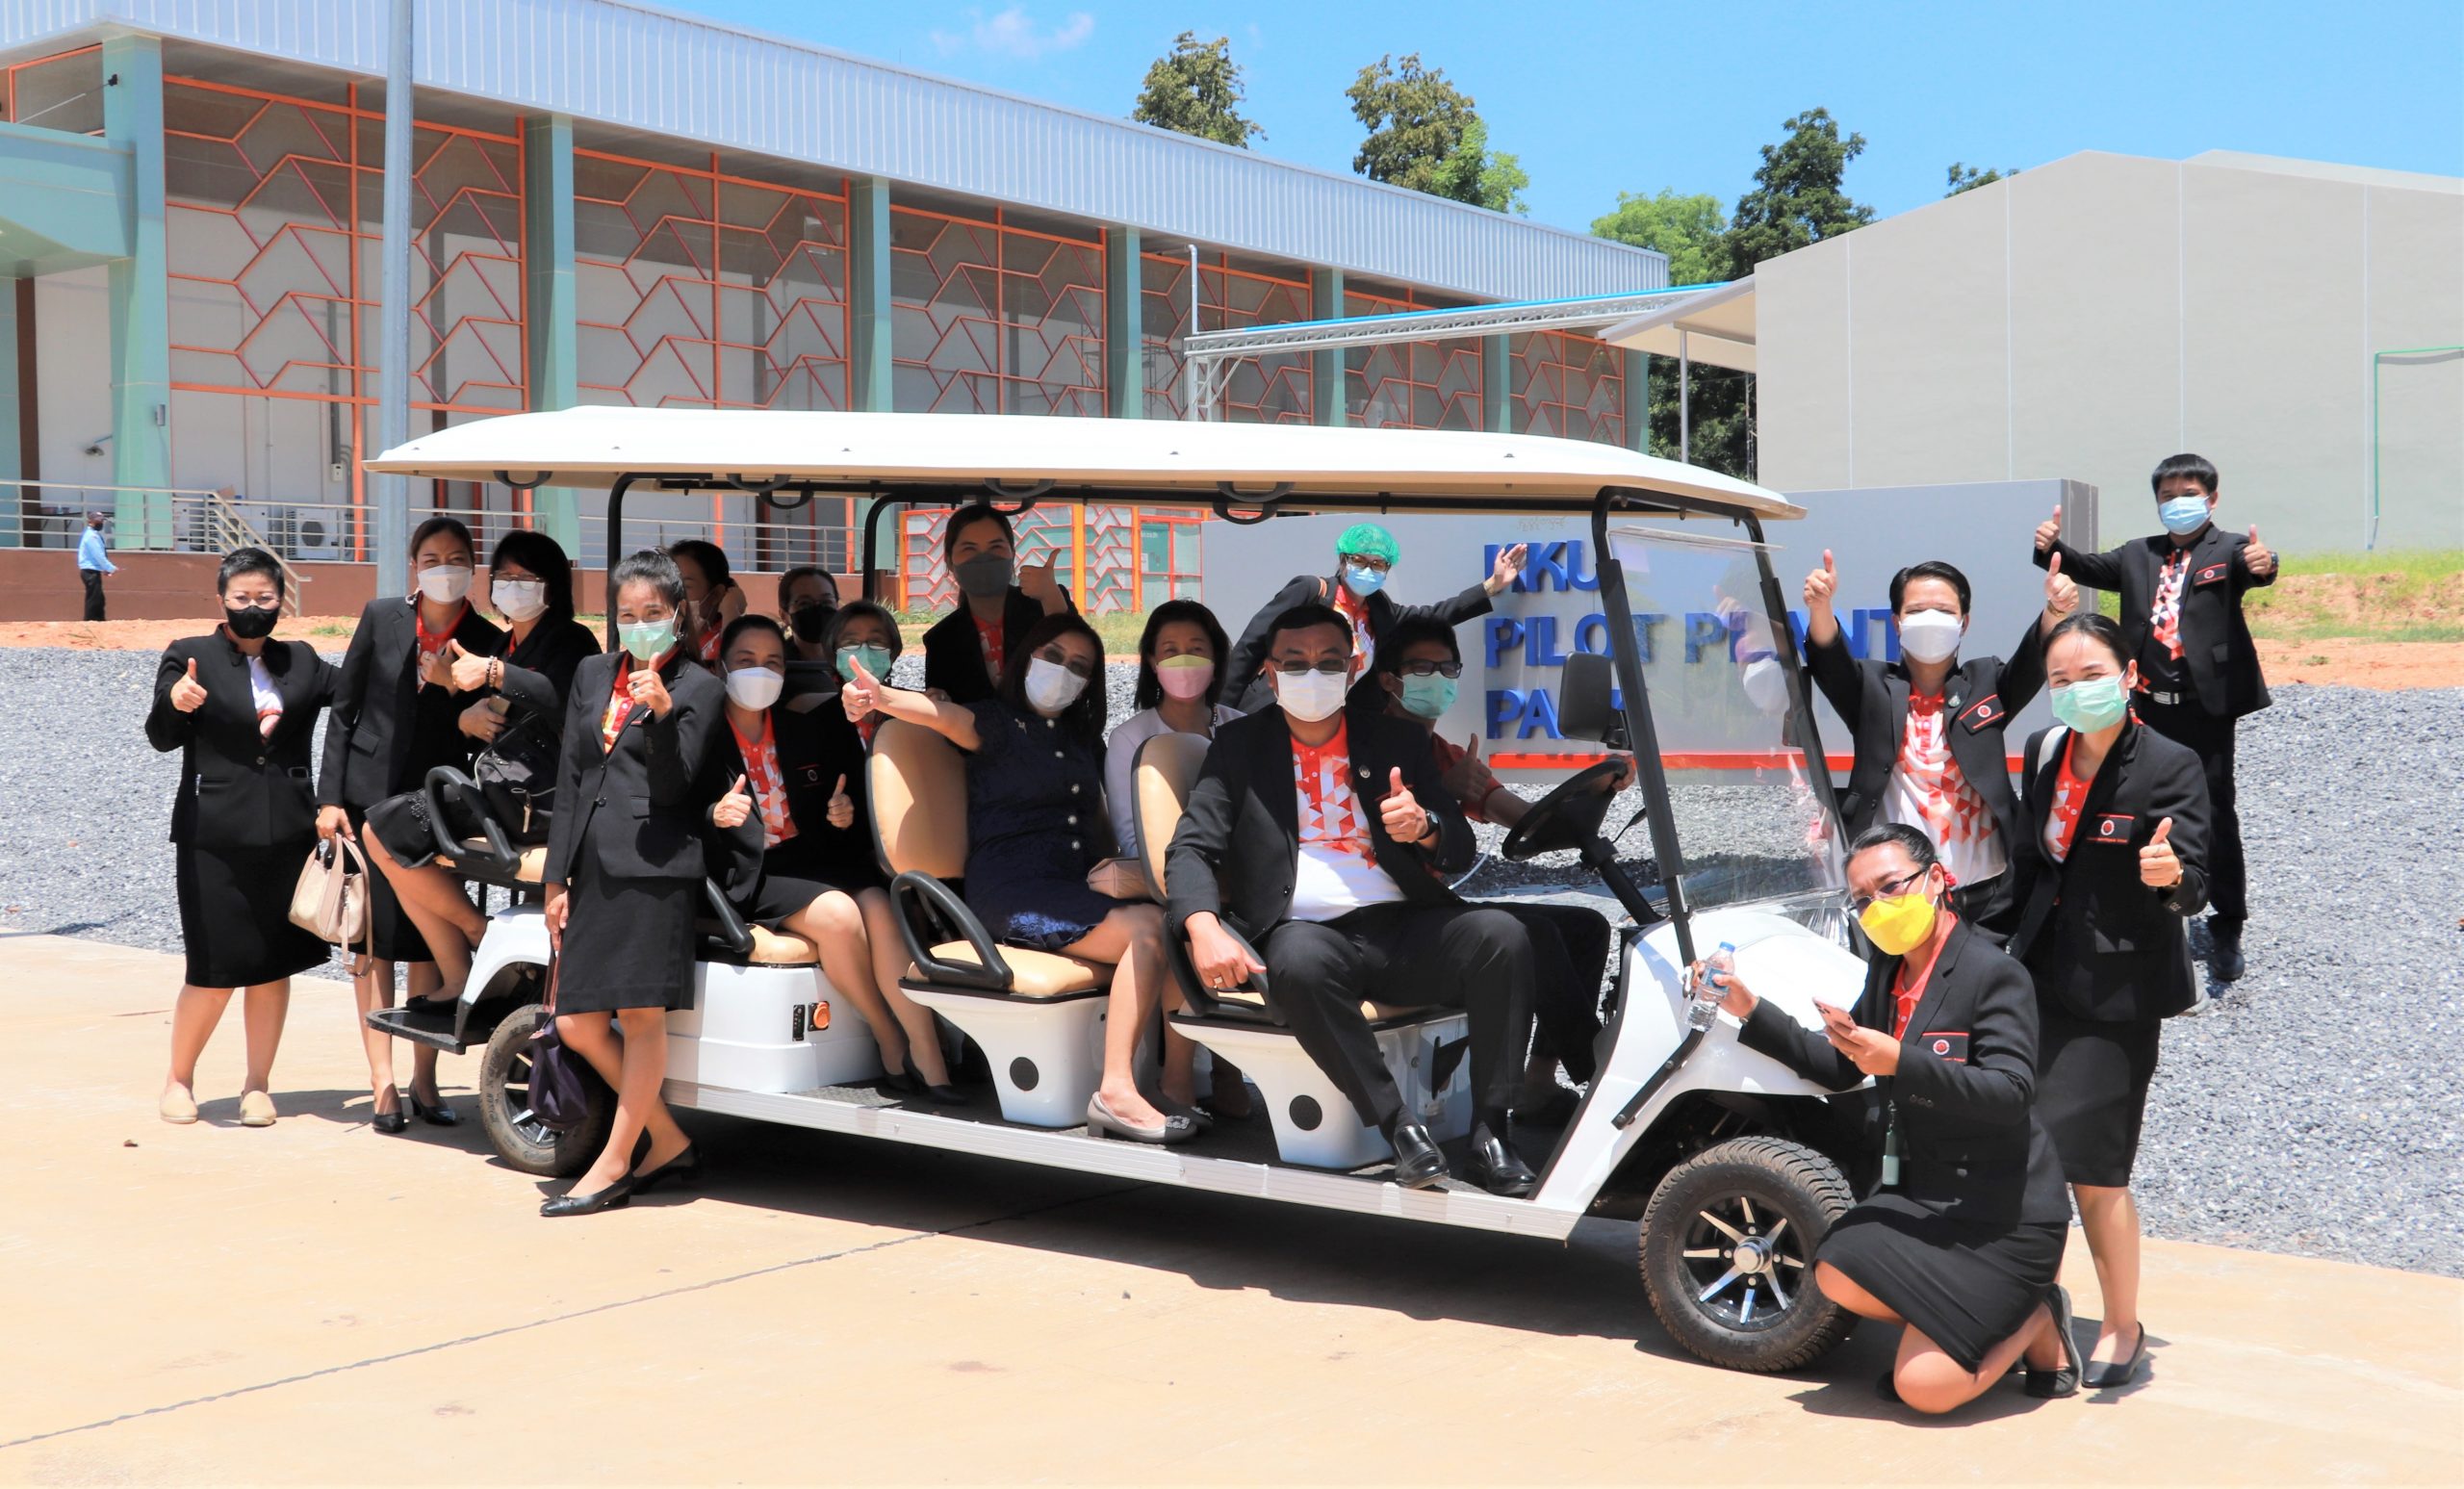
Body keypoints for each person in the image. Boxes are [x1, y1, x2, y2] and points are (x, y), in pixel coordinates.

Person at [1167, 603, 1542, 1195]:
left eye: (1328, 662)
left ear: (1353, 667)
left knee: (1502, 936)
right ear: (1270, 674)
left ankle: (1491, 1132)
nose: (1312, 674)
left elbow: (1458, 844)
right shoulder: (1238, 746)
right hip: (1306, 931)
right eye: (1295, 663)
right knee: (1297, 962)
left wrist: (1426, 827)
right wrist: (1202, 924)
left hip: (1403, 924)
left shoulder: (1396, 740)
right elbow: (1191, 847)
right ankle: (1401, 1128)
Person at [1706, 823, 2082, 1413]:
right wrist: (1749, 1007)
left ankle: (2035, 1316)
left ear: (1936, 879)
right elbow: (1839, 1068)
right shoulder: (1887, 969)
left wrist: (1902, 1062)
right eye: (1862, 899)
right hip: (1922, 1200)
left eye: (1890, 887)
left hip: (2003, 1213)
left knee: (1923, 1391)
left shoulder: (1994, 972)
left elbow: (2011, 1092)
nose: (1877, 908)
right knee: (1834, 1269)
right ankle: (1966, 1320)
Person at [842, 612, 1196, 1142]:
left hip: (1074, 888)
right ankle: (1117, 1089)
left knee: (1180, 919)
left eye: (1079, 666)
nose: (1064, 670)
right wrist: (883, 698)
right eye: (1053, 656)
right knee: (1148, 929)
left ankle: (1176, 1085)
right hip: (1013, 891)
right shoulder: (996, 723)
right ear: (1026, 657)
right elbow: (943, 716)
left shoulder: (1082, 739)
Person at [2009, 611, 2213, 1390]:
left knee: (2095, 1168)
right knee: (2025, 1157)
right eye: (2060, 679)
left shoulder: (2168, 762)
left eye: (2091, 674)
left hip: (2117, 994)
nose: (2074, 690)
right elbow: (2031, 865)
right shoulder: (2044, 749)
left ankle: (2123, 1324)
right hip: (2036, 980)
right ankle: (2033, 1311)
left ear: (2128, 675)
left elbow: (2193, 879)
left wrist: (2171, 878)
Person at [537, 551, 735, 1217]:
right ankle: (668, 1139)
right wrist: (555, 878)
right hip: (593, 868)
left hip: (656, 867)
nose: (639, 624)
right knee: (577, 1021)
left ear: (678, 614)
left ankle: (615, 1161)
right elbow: (572, 778)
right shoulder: (593, 673)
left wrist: (661, 717)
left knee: (642, 1017)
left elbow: (677, 788)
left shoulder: (701, 687)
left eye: (653, 612)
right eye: (627, 613)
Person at [2031, 453, 2272, 980]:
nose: (2178, 503)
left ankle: (2226, 921)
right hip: (2142, 705)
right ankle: (2150, 902)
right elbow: (2083, 566)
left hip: (2204, 709)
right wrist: (2050, 547)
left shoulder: (2229, 549)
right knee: (2136, 804)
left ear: (2212, 499)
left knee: (2215, 812)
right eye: (2167, 496)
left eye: (2189, 494)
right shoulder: (2138, 554)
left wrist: (2264, 563)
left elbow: (2255, 567)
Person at [703, 612, 960, 1101]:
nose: (760, 671)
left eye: (772, 662)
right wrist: (714, 814)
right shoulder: (702, 734)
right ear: (722, 666)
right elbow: (678, 810)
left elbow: (825, 802)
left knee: (880, 905)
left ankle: (927, 1051)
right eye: (746, 660)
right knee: (840, 914)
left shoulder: (799, 728)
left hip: (807, 858)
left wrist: (838, 815)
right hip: (748, 871)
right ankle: (887, 1034)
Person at [1373, 615, 1617, 1118]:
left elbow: (1526, 820)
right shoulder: (1373, 749)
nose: (1437, 680)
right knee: (1534, 936)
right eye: (1422, 669)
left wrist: (1596, 792)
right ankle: (1603, 1073)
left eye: (1447, 670)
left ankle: (1539, 1082)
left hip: (1432, 909)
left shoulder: (1447, 755)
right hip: (1391, 915)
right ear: (1390, 680)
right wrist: (1443, 793)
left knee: (1586, 927)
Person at [317, 516, 505, 1134]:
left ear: (472, 566)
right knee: (373, 943)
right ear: (413, 565)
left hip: (436, 806)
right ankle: (383, 1082)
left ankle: (426, 1079)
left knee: (429, 936)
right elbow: (344, 710)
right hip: (368, 797)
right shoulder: (382, 616)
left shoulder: (488, 639)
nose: (443, 568)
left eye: (456, 558)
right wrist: (330, 798)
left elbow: (488, 728)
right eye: (431, 558)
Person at [362, 528, 599, 1017]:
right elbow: (489, 721)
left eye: (527, 577)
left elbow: (560, 698)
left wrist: (494, 674)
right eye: (504, 576)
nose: (514, 586)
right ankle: (459, 968)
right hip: (504, 788)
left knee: (383, 832)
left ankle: (476, 934)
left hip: (542, 799)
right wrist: (465, 716)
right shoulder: (507, 642)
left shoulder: (571, 639)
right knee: (383, 834)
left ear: (553, 585)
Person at [145, 547, 339, 1127]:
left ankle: (258, 1085)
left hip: (287, 834)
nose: (253, 606)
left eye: (265, 597)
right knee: (212, 970)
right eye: (241, 597)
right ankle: (179, 1080)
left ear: (282, 600)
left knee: (272, 966)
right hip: (214, 835)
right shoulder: (190, 655)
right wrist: (176, 702)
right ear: (222, 600)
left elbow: (361, 697)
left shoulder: (302, 659)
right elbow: (160, 734)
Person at [1801, 552, 2078, 939]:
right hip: (1897, 901)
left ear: (1964, 622)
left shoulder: (1985, 682)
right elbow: (1831, 663)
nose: (1930, 619)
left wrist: (2055, 609)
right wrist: (1820, 606)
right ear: (1897, 623)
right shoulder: (1873, 689)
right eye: (1916, 610)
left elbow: (2031, 662)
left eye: (1945, 610)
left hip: (1985, 897)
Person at [1102, 599, 1248, 1117]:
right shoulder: (1131, 737)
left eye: (1196, 649)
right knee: (1185, 918)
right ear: (1150, 660)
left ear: (1217, 658)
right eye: (1170, 650)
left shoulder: (1242, 726)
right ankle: (1180, 1076)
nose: (1184, 661)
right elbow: (1131, 835)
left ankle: (1231, 1065)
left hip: (1241, 877)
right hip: (1166, 879)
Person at [1220, 523, 1527, 710]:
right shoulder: (1311, 591)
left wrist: (1492, 585)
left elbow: (1434, 615)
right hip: (1272, 710)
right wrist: (1220, 711)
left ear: (1387, 569)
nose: (1367, 569)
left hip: (1329, 722)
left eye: (1378, 564)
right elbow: (1250, 645)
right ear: (1343, 561)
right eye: (1359, 560)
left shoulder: (1380, 610)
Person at [919, 502, 1073, 705]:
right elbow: (939, 708)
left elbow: (1081, 665)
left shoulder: (1047, 602)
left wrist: (1051, 597)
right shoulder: (941, 640)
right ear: (949, 561)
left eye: (996, 547)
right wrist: (940, 701)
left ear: (1012, 554)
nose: (984, 557)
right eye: (969, 549)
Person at [669, 537, 746, 671]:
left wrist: (731, 611)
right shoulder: (663, 639)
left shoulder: (734, 642)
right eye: (668, 585)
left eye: (685, 586)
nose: (673, 594)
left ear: (716, 594)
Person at [776, 563, 840, 662]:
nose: (818, 609)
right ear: (784, 615)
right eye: (805, 603)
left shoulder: (854, 660)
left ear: (837, 607)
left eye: (826, 602)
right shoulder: (777, 663)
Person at [78, 511, 118, 621]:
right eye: (98, 521)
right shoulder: (92, 536)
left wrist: (104, 568)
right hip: (90, 571)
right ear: (91, 521)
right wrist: (110, 568)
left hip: (91, 570)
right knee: (94, 599)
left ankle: (98, 620)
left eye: (101, 520)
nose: (101, 523)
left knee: (98, 597)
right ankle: (92, 620)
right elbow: (98, 555)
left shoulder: (93, 535)